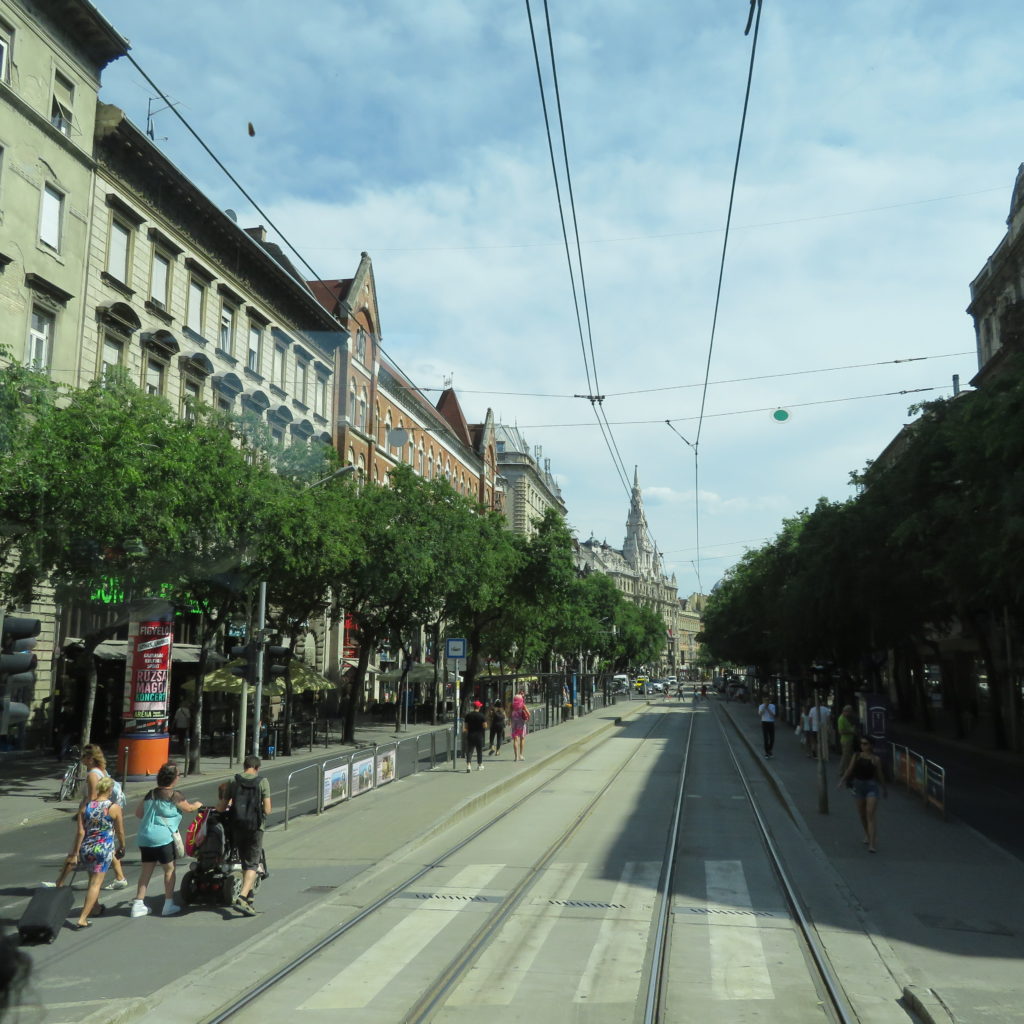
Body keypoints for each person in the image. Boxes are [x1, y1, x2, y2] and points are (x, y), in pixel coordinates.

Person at [131, 762, 201, 919]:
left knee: (146, 871)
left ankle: (138, 905)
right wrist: (197, 804)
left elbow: (138, 813)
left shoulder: (151, 794)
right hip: (163, 838)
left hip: (145, 837)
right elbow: (188, 808)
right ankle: (168, 905)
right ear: (174, 779)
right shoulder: (174, 795)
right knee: (169, 871)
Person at [217, 755, 271, 917]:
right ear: (257, 768)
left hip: (237, 826)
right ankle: (242, 897)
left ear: (244, 766)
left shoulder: (233, 781)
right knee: (252, 864)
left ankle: (249, 898)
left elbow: (222, 806)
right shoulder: (262, 782)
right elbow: (268, 810)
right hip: (255, 827)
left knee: (243, 860)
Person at [70, 775, 126, 929]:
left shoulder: (86, 806)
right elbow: (120, 831)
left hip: (86, 848)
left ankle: (95, 908)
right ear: (109, 790)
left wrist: (75, 853)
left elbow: (80, 832)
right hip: (103, 849)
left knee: (91, 880)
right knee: (96, 883)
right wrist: (122, 846)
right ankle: (82, 917)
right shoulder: (113, 807)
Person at [837, 737, 887, 852]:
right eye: (861, 743)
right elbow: (849, 769)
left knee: (870, 814)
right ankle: (868, 835)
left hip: (871, 787)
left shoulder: (875, 759)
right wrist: (842, 780)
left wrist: (884, 788)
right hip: (858, 786)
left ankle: (872, 844)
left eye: (865, 744)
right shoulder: (857, 756)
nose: (862, 746)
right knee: (862, 815)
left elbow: (880, 774)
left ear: (871, 745)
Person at [463, 700, 487, 772]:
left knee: (469, 751)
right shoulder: (482, 716)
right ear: (479, 707)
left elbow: (466, 727)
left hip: (470, 735)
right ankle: (479, 765)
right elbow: (485, 726)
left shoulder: (468, 715)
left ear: (474, 707)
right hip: (479, 735)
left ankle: (468, 765)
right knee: (479, 751)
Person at [837, 705, 858, 777]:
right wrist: (851, 732)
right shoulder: (841, 719)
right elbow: (841, 731)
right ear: (845, 711)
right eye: (849, 712)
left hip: (848, 740)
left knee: (845, 756)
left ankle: (843, 771)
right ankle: (844, 772)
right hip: (846, 740)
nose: (850, 714)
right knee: (846, 757)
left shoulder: (845, 718)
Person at [510, 693, 530, 762]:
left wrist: (511, 721)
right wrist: (528, 719)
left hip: (514, 724)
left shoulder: (512, 705)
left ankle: (516, 757)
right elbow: (528, 714)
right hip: (521, 723)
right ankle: (521, 755)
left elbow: (509, 714)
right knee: (522, 738)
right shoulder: (523, 705)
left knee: (515, 739)